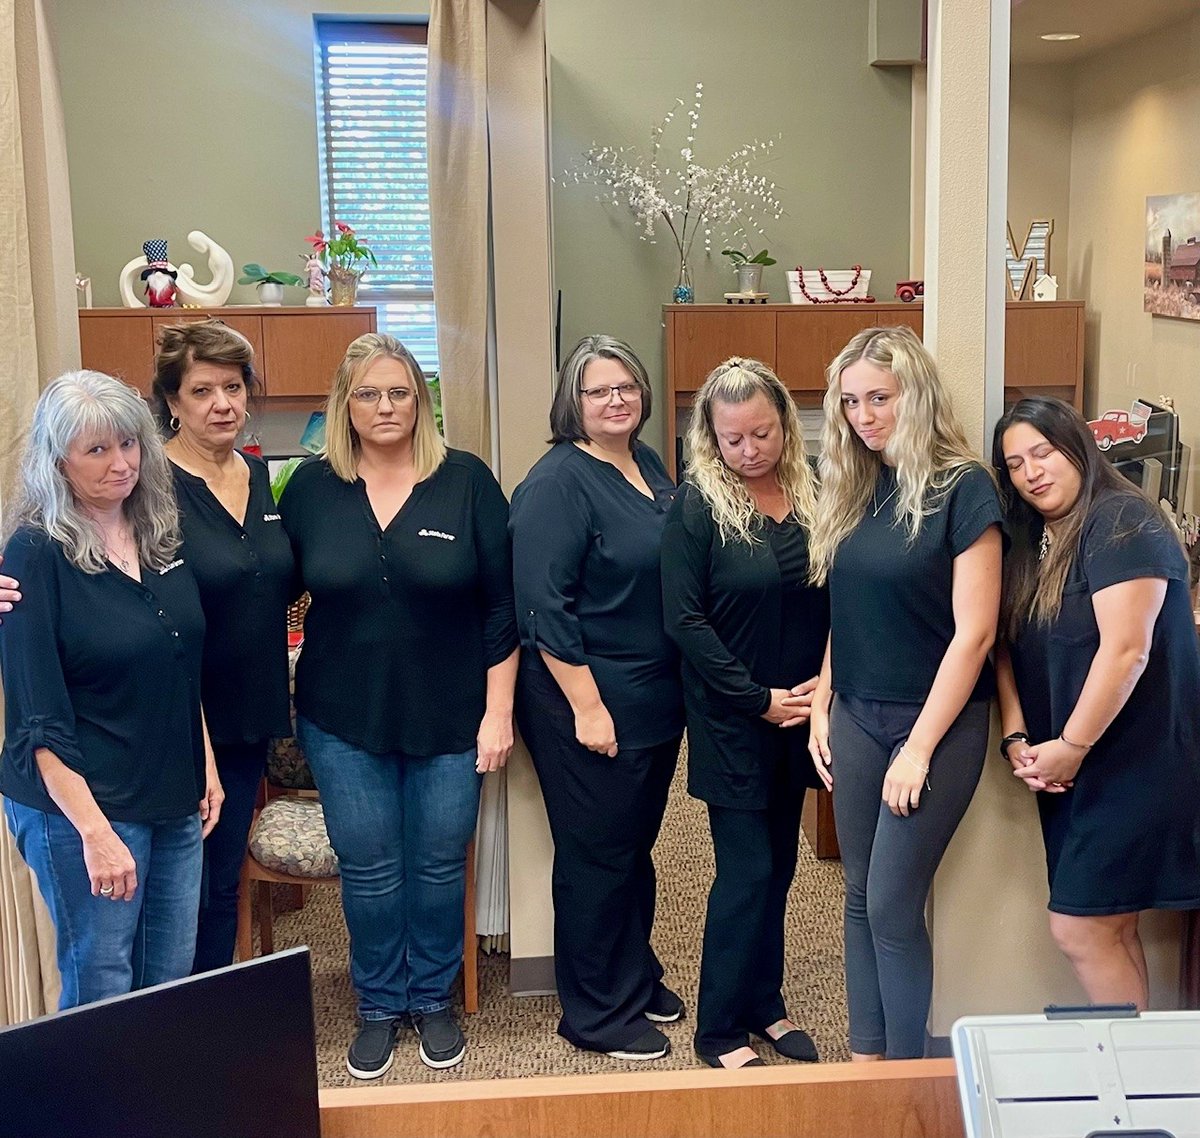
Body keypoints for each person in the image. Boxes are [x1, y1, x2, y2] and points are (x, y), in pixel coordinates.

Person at [279, 333, 518, 1078]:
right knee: (372, 868)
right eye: (369, 394)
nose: (386, 407)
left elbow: (501, 611)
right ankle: (380, 1003)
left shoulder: (467, 481)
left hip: (453, 716)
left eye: (401, 392)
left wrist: (499, 713)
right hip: (342, 717)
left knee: (440, 865)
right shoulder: (311, 488)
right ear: (344, 405)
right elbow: (267, 586)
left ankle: (433, 999)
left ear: (422, 399)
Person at [807, 325, 1002, 1060]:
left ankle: (907, 1081)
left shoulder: (964, 486)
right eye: (851, 401)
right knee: (857, 898)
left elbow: (975, 635)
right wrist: (823, 702)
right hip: (856, 712)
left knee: (891, 906)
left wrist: (918, 749)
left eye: (879, 398)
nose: (863, 415)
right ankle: (866, 1065)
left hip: (938, 727)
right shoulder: (853, 486)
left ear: (914, 394)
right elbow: (845, 608)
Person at [0, 370, 221, 1010]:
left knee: (168, 982)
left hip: (171, 796)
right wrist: (96, 834)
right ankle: (92, 1115)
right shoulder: (34, 554)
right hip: (82, 808)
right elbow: (39, 718)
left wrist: (201, 761)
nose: (121, 463)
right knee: (102, 988)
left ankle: (157, 1112)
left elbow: (180, 666)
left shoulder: (157, 533)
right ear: (57, 461)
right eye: (97, 450)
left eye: (129, 444)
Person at [509, 334, 685, 1062]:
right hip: (585, 702)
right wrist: (587, 706)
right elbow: (544, 609)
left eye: (627, 387)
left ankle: (632, 976)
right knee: (596, 859)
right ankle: (596, 1013)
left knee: (632, 850)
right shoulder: (557, 482)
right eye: (598, 390)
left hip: (649, 698)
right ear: (572, 403)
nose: (617, 400)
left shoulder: (643, 461)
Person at [992, 396, 1200, 1008]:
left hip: (1136, 765)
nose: (1032, 472)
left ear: (1078, 446)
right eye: (1015, 463)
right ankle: (1140, 1082)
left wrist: (1072, 748)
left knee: (1080, 926)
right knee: (1110, 925)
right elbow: (1004, 647)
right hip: (1069, 768)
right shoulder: (1037, 540)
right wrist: (1017, 736)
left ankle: (1133, 1084)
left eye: (1044, 452)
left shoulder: (1121, 521)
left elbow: (1127, 650)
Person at [661, 358, 828, 1070]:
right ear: (711, 438)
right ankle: (719, 1027)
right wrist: (755, 699)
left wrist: (820, 686)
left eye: (761, 432)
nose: (750, 448)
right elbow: (684, 620)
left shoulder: (815, 491)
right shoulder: (697, 504)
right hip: (735, 717)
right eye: (733, 439)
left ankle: (766, 1001)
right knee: (746, 871)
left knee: (784, 865)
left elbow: (833, 597)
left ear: (785, 424)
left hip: (802, 714)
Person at [151, 319, 296, 974]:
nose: (222, 404)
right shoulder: (147, 485)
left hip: (246, 723)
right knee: (174, 892)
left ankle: (203, 1024)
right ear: (173, 402)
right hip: (177, 724)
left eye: (233, 387)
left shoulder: (261, 475)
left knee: (219, 887)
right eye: (202, 390)